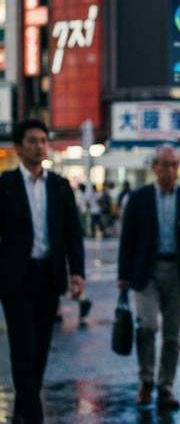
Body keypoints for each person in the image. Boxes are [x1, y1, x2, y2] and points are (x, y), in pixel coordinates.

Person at [0, 119, 86, 424]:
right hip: (16, 279)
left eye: (43, 140)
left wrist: (77, 272)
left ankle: (23, 408)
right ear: (19, 147)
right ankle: (31, 412)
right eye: (33, 141)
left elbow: (72, 233)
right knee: (23, 346)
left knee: (40, 348)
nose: (39, 146)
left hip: (49, 277)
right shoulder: (6, 185)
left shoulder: (60, 187)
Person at [117, 144, 180, 409]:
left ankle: (165, 386)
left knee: (173, 336)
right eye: (164, 164)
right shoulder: (139, 198)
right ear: (154, 167)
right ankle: (146, 380)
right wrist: (123, 275)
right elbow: (127, 238)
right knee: (147, 326)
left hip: (178, 271)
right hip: (147, 272)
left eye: (174, 164)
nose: (169, 170)